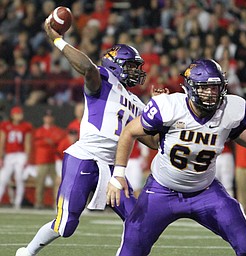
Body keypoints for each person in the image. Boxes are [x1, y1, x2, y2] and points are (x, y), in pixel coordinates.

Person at [107, 59, 246, 256]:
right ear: (190, 87)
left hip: (205, 192)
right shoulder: (169, 106)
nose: (211, 93)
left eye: (215, 87)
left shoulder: (230, 109)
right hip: (161, 191)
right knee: (131, 251)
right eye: (205, 87)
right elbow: (129, 132)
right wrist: (118, 175)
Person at [15, 15, 159, 256]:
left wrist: (159, 110)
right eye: (132, 66)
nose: (136, 72)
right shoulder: (102, 79)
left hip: (114, 167)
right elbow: (87, 68)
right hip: (85, 157)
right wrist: (58, 40)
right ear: (116, 64)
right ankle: (27, 252)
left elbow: (153, 142)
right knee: (66, 225)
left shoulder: (137, 102)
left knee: (137, 221)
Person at [0, 106, 32, 209]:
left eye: (20, 114)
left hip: (20, 155)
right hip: (9, 155)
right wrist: (1, 157)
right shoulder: (6, 125)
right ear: (12, 115)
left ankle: (17, 203)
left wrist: (27, 158)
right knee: (2, 178)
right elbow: (2, 141)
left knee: (19, 178)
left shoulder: (25, 126)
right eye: (17, 114)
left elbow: (27, 143)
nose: (19, 116)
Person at [33, 109, 65, 209]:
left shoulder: (57, 130)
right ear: (44, 118)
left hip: (54, 161)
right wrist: (49, 142)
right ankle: (38, 203)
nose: (48, 119)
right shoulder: (39, 131)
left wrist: (46, 141)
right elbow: (37, 143)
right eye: (47, 117)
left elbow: (59, 142)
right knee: (40, 183)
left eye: (50, 117)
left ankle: (56, 204)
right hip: (42, 160)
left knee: (57, 183)